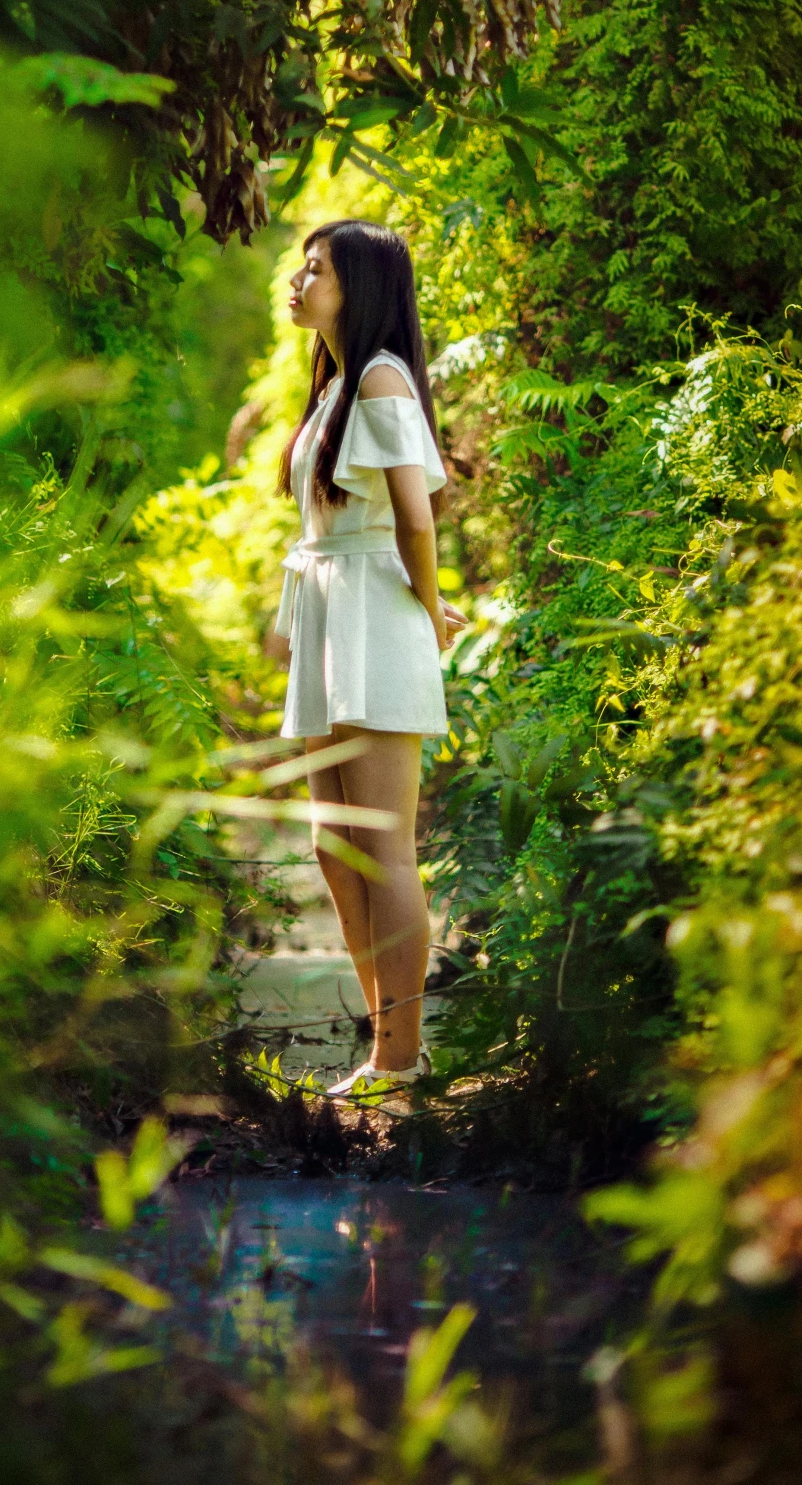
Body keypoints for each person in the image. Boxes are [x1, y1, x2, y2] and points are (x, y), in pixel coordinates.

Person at [263, 220, 465, 1097]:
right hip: (331, 617)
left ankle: (399, 1056)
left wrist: (429, 610)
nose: (298, 282)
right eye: (301, 267)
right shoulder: (335, 384)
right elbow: (329, 526)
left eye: (317, 271)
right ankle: (383, 1043)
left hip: (377, 621)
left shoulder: (380, 378)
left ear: (363, 289)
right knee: (333, 846)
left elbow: (414, 517)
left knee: (380, 849)